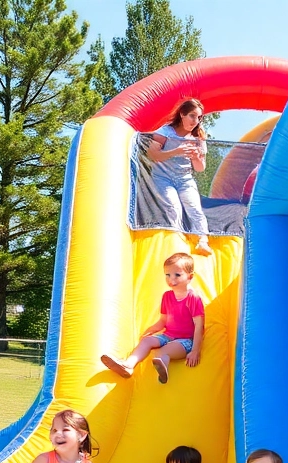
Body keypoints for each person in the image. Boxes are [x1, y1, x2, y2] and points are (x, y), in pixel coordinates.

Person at [100, 253, 204, 384]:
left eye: (177, 275)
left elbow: (199, 325)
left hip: (185, 341)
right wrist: (150, 331)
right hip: (168, 335)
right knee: (146, 341)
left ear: (190, 277)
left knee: (163, 352)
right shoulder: (167, 296)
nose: (171, 279)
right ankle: (128, 366)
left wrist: (195, 350)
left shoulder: (193, 298)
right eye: (168, 275)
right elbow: (163, 321)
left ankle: (163, 370)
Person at [146, 98, 214, 256]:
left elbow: (200, 168)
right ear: (182, 114)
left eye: (199, 118)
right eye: (192, 116)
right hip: (163, 178)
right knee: (173, 207)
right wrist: (176, 151)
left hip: (184, 179)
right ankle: (175, 240)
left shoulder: (198, 138)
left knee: (195, 208)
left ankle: (202, 242)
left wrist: (196, 157)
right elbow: (152, 155)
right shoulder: (166, 132)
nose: (195, 121)